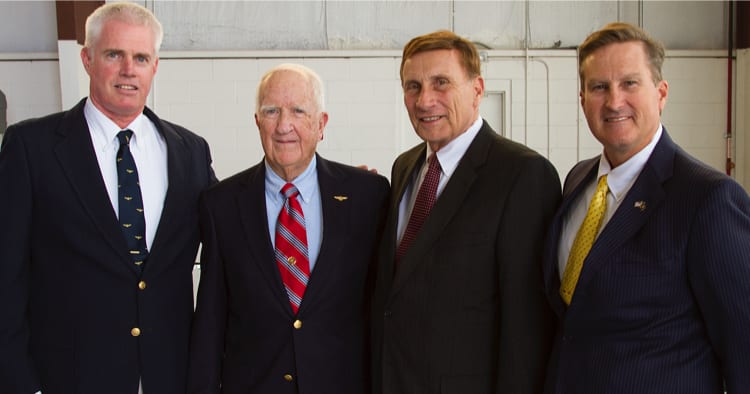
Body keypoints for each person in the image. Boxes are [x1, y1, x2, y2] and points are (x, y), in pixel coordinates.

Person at [0, 3, 217, 393]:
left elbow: (233, 235)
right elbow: (5, 280)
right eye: (114, 54)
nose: (128, 69)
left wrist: (331, 190)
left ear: (155, 65)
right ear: (87, 59)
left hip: (169, 377)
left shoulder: (191, 152)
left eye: (141, 57)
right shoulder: (30, 149)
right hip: (66, 380)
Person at [543, 22, 750, 394]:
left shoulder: (708, 199)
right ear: (582, 99)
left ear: (661, 93)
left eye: (629, 83)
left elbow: (744, 348)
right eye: (599, 87)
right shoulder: (577, 181)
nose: (613, 101)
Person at [371, 30, 561, 394]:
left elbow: (526, 329)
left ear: (477, 89)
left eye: (441, 83)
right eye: (413, 86)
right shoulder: (405, 167)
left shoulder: (522, 174)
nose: (425, 100)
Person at [187, 63, 389, 394]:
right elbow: (211, 319)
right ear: (256, 122)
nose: (284, 125)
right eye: (271, 111)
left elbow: (381, 308)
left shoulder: (368, 196)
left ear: (322, 124)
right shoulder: (220, 205)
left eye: (298, 110)